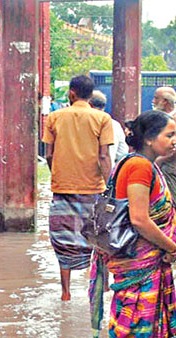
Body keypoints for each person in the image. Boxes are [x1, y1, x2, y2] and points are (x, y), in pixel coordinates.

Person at [89, 110, 176, 338]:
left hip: (147, 257)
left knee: (147, 317)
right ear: (150, 139)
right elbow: (140, 219)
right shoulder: (140, 167)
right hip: (138, 258)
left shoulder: (141, 163)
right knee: (132, 320)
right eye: (169, 135)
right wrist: (171, 247)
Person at [42, 75, 114, 301]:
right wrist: (110, 187)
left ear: (71, 93)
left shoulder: (54, 117)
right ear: (90, 95)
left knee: (63, 239)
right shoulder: (102, 118)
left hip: (63, 188)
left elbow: (49, 154)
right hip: (93, 189)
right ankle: (103, 287)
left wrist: (58, 174)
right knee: (99, 239)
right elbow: (104, 156)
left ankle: (65, 293)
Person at [152, 87, 176, 203]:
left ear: (165, 101)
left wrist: (161, 159)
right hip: (161, 163)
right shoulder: (163, 115)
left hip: (170, 165)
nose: (153, 101)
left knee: (170, 200)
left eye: (156, 98)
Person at [89, 90, 128, 162]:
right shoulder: (115, 125)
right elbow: (122, 154)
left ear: (89, 104)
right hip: (108, 167)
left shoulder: (83, 122)